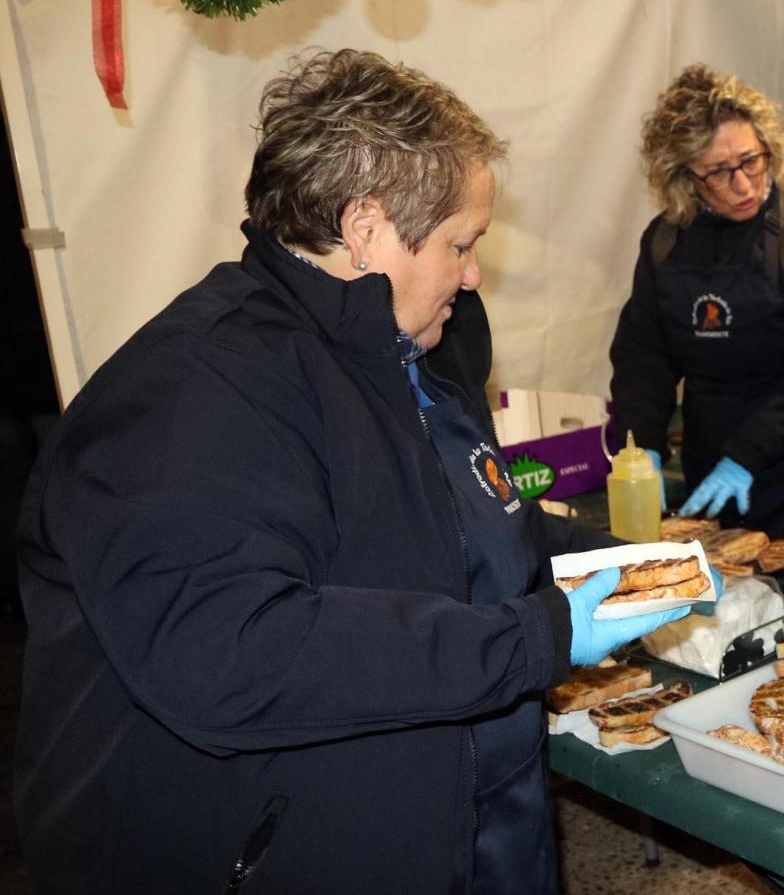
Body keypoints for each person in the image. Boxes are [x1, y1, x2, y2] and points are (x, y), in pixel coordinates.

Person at [14, 50, 703, 892]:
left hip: (468, 824)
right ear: (367, 228)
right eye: (461, 244)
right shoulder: (194, 391)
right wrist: (538, 635)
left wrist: (614, 560)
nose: (474, 272)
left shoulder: (400, 354)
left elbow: (469, 521)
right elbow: (234, 654)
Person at [609, 65, 784, 552]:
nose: (744, 185)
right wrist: (639, 439)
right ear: (684, 177)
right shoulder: (666, 241)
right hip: (714, 484)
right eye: (718, 173)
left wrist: (748, 454)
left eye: (751, 161)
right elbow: (644, 353)